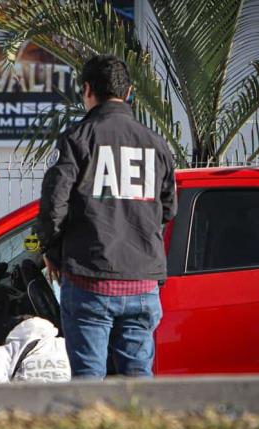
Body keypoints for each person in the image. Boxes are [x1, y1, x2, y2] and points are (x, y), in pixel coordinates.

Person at [36, 54, 177, 379]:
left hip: (90, 282)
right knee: (138, 381)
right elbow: (168, 209)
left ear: (87, 90)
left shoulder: (78, 139)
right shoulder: (156, 144)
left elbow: (52, 207)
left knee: (88, 380)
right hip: (142, 284)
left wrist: (52, 253)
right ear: (129, 93)